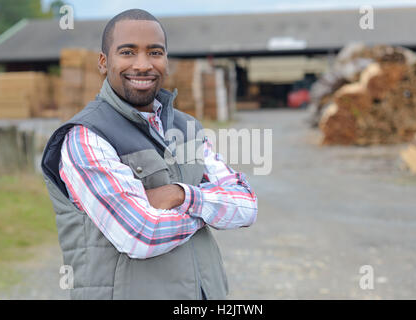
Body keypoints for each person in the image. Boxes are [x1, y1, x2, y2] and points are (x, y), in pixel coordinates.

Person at [41, 9, 257, 300]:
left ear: (166, 61)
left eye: (154, 52)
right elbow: (141, 234)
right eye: (128, 52)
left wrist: (183, 196)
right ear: (104, 62)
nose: (143, 65)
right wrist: (211, 209)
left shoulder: (187, 127)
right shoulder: (86, 136)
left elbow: (247, 205)